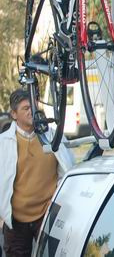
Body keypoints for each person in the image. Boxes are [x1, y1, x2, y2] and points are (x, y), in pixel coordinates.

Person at [1, 90, 73, 257]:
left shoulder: (54, 136)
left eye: (33, 106)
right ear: (14, 114)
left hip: (46, 215)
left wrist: (58, 199)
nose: (31, 111)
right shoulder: (3, 142)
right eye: (25, 108)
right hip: (15, 220)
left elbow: (68, 170)